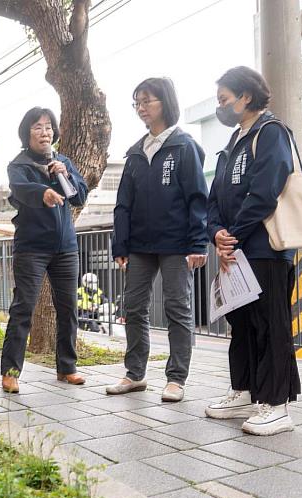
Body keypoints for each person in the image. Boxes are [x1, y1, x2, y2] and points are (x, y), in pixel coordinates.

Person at [204, 66, 301, 436]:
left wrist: (234, 236)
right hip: (238, 247)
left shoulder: (271, 132)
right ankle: (243, 391)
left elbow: (265, 191)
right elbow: (214, 199)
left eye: (224, 100)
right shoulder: (232, 143)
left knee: (270, 325)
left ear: (246, 96)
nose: (221, 107)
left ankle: (277, 404)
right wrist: (217, 234)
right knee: (241, 324)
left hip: (265, 248)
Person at [108, 77, 208, 402]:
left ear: (164, 102)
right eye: (136, 102)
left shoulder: (184, 146)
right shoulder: (135, 153)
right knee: (133, 307)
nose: (141, 108)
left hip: (177, 245)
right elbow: (123, 203)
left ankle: (176, 378)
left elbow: (197, 198)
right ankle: (135, 374)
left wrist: (197, 243)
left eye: (146, 101)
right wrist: (120, 244)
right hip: (139, 245)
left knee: (178, 307)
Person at [0, 106, 89, 393]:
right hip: (32, 248)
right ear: (28, 132)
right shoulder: (19, 165)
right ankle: (10, 372)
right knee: (23, 308)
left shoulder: (63, 162)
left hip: (65, 248)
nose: (45, 131)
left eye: (49, 126)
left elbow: (80, 196)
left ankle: (67, 367)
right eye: (38, 126)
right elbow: (22, 189)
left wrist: (68, 177)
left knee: (69, 309)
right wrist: (44, 192)